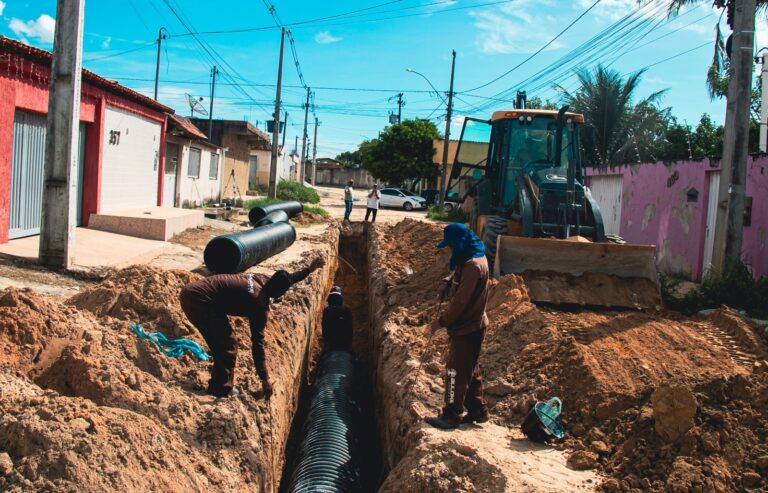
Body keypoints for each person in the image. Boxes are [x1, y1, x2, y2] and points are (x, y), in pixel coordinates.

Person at [180, 257, 325, 399]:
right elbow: (257, 344)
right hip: (199, 301)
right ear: (277, 293)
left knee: (223, 342)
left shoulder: (262, 279)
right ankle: (220, 390)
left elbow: (288, 278)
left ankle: (219, 383)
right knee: (227, 344)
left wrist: (309, 269)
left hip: (196, 291)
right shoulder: (258, 304)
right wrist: (265, 379)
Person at [426, 223, 491, 429]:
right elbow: (458, 272)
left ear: (459, 243)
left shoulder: (473, 266)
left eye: (451, 246)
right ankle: (478, 410)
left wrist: (440, 322)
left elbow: (459, 303)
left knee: (455, 371)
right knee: (470, 368)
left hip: (468, 327)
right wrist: (447, 280)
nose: (450, 250)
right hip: (472, 325)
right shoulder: (472, 256)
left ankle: (451, 415)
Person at [321, 286, 353, 352]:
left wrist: (326, 344)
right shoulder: (347, 310)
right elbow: (350, 329)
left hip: (332, 344)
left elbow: (324, 329)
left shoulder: (327, 310)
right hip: (342, 344)